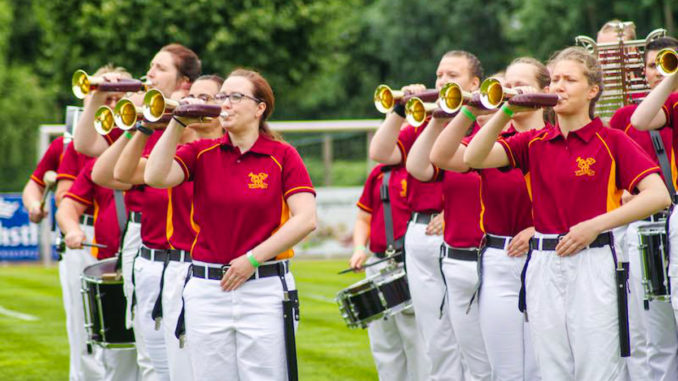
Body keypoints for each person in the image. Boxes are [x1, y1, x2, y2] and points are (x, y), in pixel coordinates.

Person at [463, 46, 670, 380]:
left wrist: (593, 225)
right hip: (543, 265)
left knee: (598, 368)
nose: (559, 86)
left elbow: (658, 195)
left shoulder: (610, 140)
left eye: (569, 80)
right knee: (552, 369)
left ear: (592, 90)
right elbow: (474, 156)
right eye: (555, 79)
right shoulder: (533, 142)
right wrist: (505, 110)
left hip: (594, 260)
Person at [145, 68, 316, 381]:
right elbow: (155, 176)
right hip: (207, 291)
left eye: (236, 97)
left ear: (260, 108)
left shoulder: (283, 155)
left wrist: (252, 259)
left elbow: (305, 218)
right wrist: (177, 121)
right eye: (223, 96)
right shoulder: (200, 151)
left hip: (264, 288)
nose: (226, 103)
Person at [427, 57, 549, 380]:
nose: (514, 90)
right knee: (504, 370)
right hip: (498, 260)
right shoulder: (495, 145)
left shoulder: (554, 139)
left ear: (544, 91)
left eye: (522, 84)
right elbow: (440, 157)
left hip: (546, 255)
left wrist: (539, 228)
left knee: (543, 367)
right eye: (509, 83)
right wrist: (474, 107)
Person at [86, 43, 201, 381]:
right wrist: (139, 123)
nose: (148, 74)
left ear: (184, 84)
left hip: (191, 257)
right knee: (152, 359)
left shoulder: (202, 135)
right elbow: (102, 172)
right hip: (150, 254)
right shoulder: (148, 132)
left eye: (159, 68)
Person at [368, 50, 483, 379]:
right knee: (434, 335)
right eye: (439, 75)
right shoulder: (426, 123)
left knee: (471, 333)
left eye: (453, 75)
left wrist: (452, 213)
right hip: (420, 232)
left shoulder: (481, 122)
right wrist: (400, 109)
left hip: (461, 233)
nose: (443, 81)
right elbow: (380, 152)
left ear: (474, 83)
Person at [111, 75, 225, 381]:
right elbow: (120, 173)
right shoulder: (181, 154)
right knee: (164, 369)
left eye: (205, 97)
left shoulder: (225, 152)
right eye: (192, 96)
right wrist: (149, 125)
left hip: (210, 268)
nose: (194, 102)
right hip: (176, 268)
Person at [609, 36, 678, 381]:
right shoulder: (629, 115)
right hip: (646, 224)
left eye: (664, 63)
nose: (657, 71)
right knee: (653, 335)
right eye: (652, 66)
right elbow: (640, 121)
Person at [56, 159, 139, 381]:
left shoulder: (176, 159)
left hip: (164, 268)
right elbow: (67, 206)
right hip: (114, 271)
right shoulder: (100, 165)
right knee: (119, 362)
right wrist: (72, 229)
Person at [349, 163, 428, 380]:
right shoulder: (380, 173)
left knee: (418, 344)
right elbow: (363, 218)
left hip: (412, 264)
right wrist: (358, 248)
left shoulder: (428, 168)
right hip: (379, 264)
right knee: (383, 344)